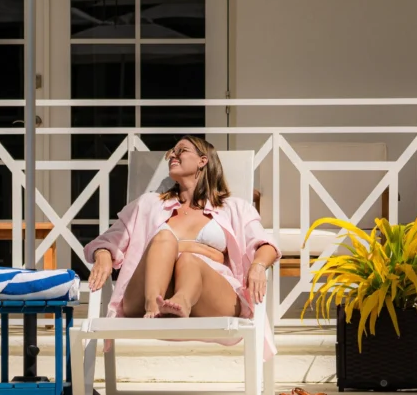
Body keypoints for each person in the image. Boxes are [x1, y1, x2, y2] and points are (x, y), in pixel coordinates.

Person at [84, 136, 281, 354]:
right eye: (172, 151)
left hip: (209, 296)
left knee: (189, 260)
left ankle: (181, 302)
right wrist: (103, 254)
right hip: (146, 295)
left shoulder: (234, 208)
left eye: (182, 150)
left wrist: (258, 265)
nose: (173, 155)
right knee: (164, 238)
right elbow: (108, 240)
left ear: (203, 161)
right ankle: (155, 305)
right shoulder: (148, 204)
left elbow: (266, 245)